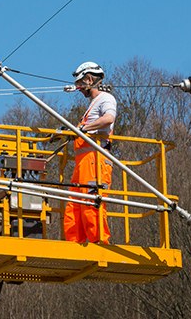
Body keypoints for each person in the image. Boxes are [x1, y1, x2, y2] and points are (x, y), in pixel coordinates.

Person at [63, 61, 116, 244]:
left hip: (95, 161)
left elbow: (108, 119)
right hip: (83, 162)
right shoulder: (91, 105)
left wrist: (84, 128)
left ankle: (99, 242)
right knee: (74, 204)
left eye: (80, 83)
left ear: (89, 79)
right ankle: (74, 242)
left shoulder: (105, 98)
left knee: (91, 202)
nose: (78, 88)